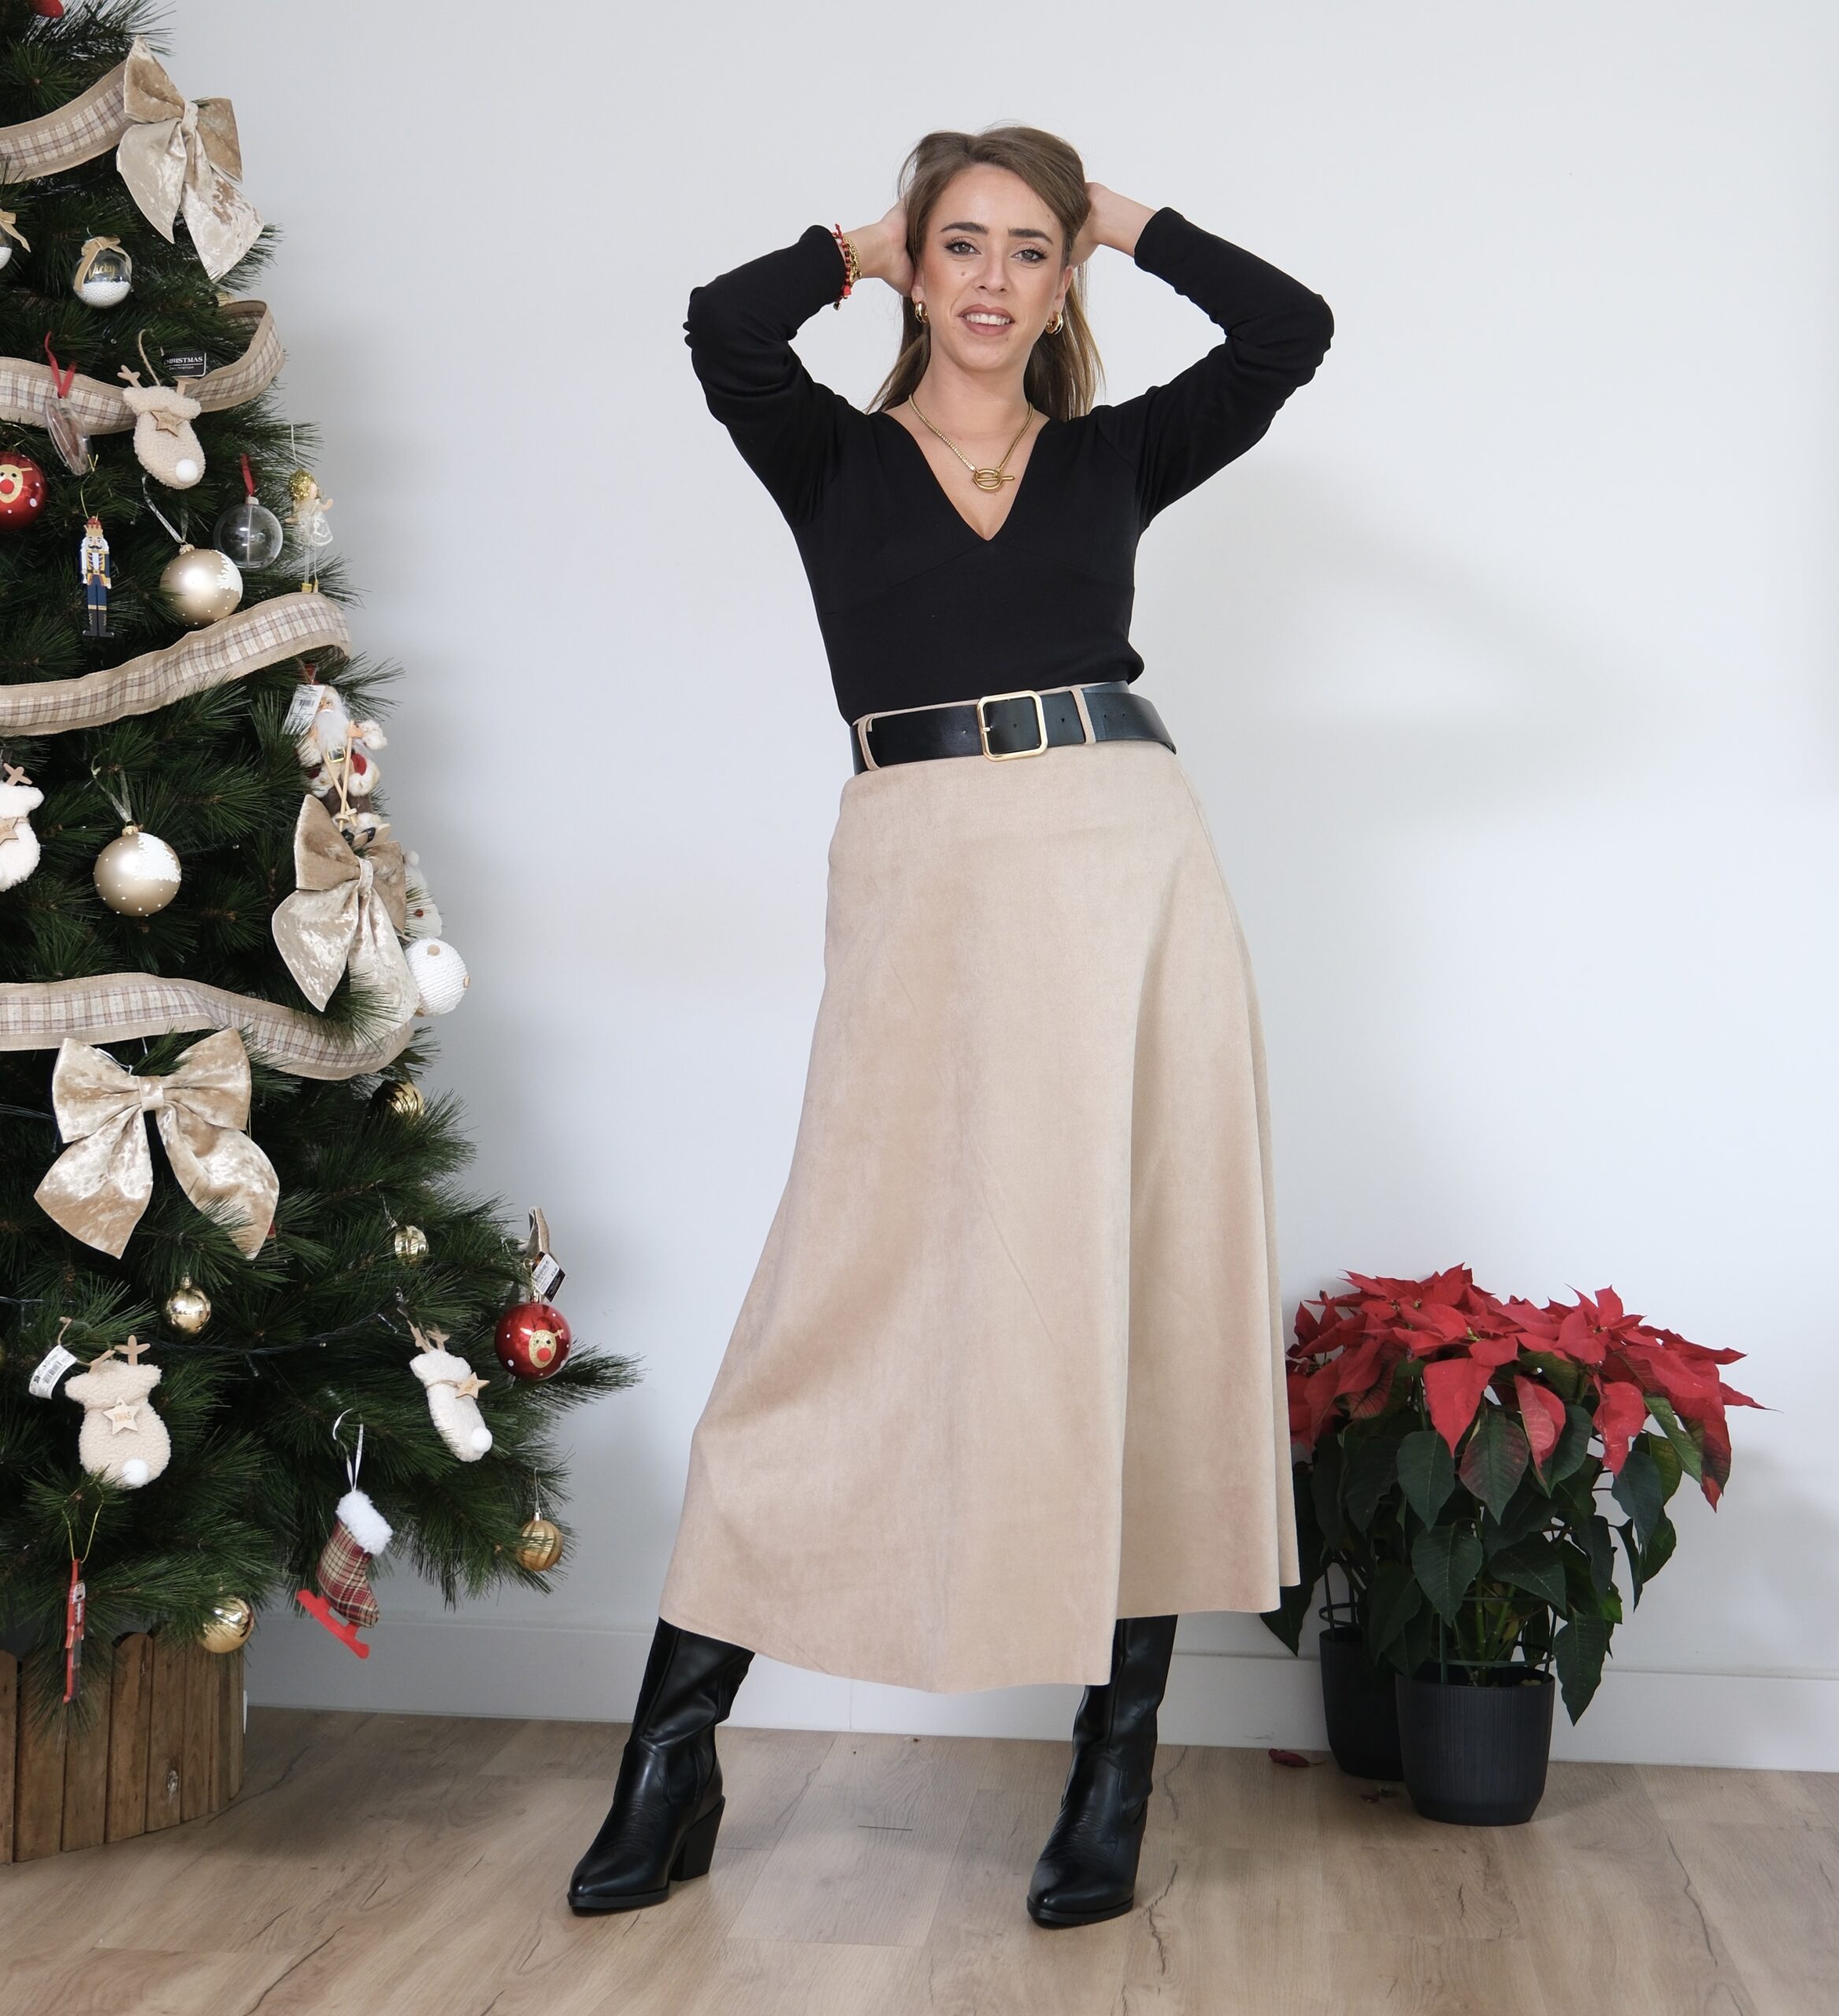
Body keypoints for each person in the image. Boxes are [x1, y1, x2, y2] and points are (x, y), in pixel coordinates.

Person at [569, 124, 1333, 1928]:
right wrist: (869, 232)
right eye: (963, 246)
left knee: (1136, 1295)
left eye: (1027, 251)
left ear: (1066, 283)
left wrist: (1120, 215)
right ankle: (671, 1754)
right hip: (920, 876)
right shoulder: (827, 454)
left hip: (1126, 870)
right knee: (836, 1296)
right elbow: (722, 325)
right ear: (918, 269)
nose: (993, 279)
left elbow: (1288, 330)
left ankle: (1114, 1764)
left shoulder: (1114, 454)